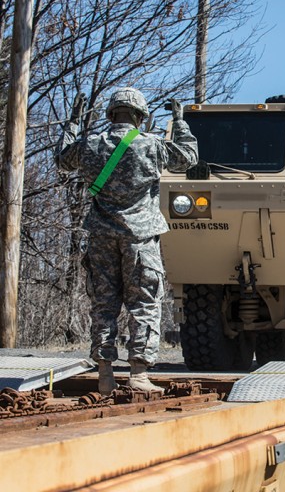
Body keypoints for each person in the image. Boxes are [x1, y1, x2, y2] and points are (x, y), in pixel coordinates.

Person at [56, 88, 198, 395]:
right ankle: (138, 373)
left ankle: (105, 374)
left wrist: (75, 122)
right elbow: (187, 157)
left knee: (103, 305)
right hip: (140, 239)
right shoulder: (152, 145)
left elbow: (63, 159)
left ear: (111, 114)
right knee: (144, 304)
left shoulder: (91, 145)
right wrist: (179, 120)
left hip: (101, 238)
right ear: (140, 117)